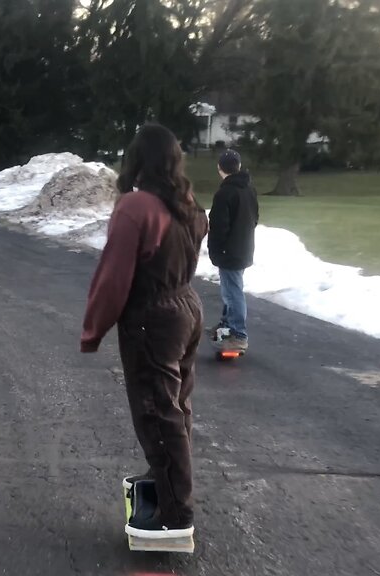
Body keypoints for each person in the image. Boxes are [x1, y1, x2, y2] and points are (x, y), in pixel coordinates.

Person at [80, 124, 209, 541]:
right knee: (176, 406)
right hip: (187, 307)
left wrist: (93, 329)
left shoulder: (136, 207)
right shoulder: (186, 202)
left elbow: (114, 277)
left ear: (135, 159)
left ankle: (174, 512)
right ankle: (165, 480)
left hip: (151, 317)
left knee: (156, 411)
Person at [207, 149, 259, 351]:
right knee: (230, 289)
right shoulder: (249, 189)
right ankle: (227, 325)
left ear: (220, 168)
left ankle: (238, 333)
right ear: (238, 166)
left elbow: (219, 226)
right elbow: (255, 218)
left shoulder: (224, 193)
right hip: (244, 247)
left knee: (233, 292)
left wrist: (215, 250)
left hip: (229, 251)